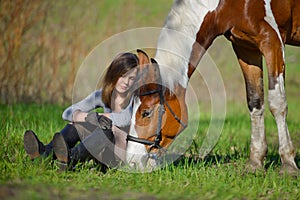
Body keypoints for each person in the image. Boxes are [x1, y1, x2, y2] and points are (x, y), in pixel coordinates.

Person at [24, 51, 140, 170]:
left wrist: (97, 117)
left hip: (118, 157)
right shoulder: (102, 95)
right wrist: (85, 117)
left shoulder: (136, 99)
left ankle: (71, 158)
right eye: (122, 76)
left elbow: (124, 119)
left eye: (131, 78)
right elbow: (67, 113)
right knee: (75, 124)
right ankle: (45, 154)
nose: (126, 82)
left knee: (107, 130)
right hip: (101, 150)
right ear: (113, 74)